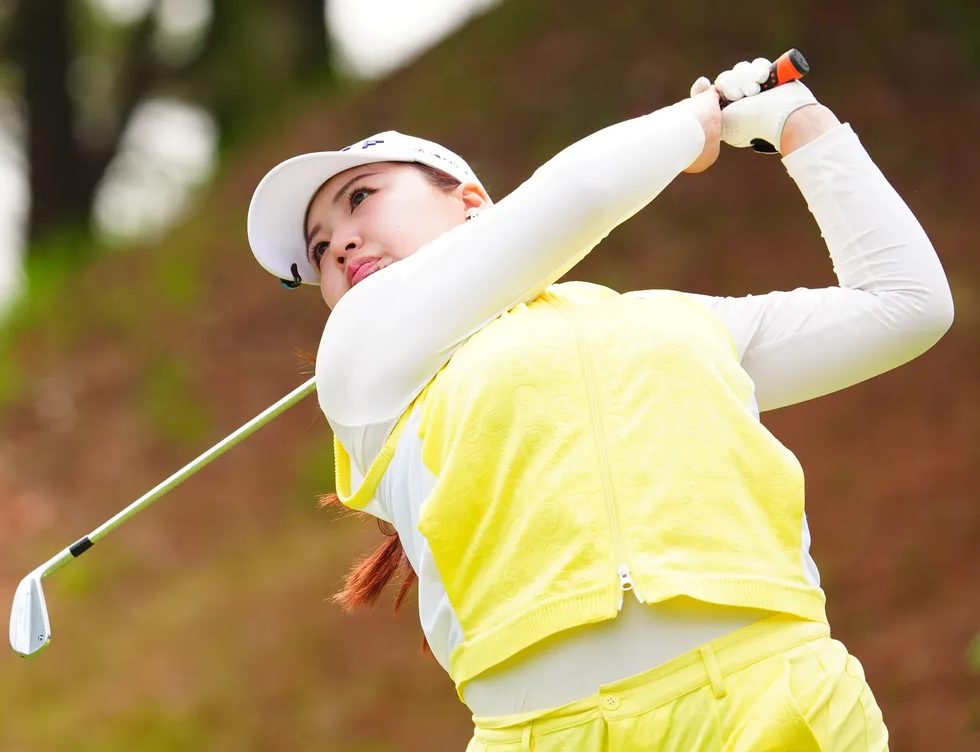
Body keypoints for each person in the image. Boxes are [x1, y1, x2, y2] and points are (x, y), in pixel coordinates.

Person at [245, 57, 953, 751]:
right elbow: (581, 192)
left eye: (360, 197)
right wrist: (695, 123)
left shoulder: (677, 321)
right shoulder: (358, 364)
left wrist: (801, 124)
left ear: (472, 201)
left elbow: (907, 306)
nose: (338, 243)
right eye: (317, 249)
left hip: (775, 701)